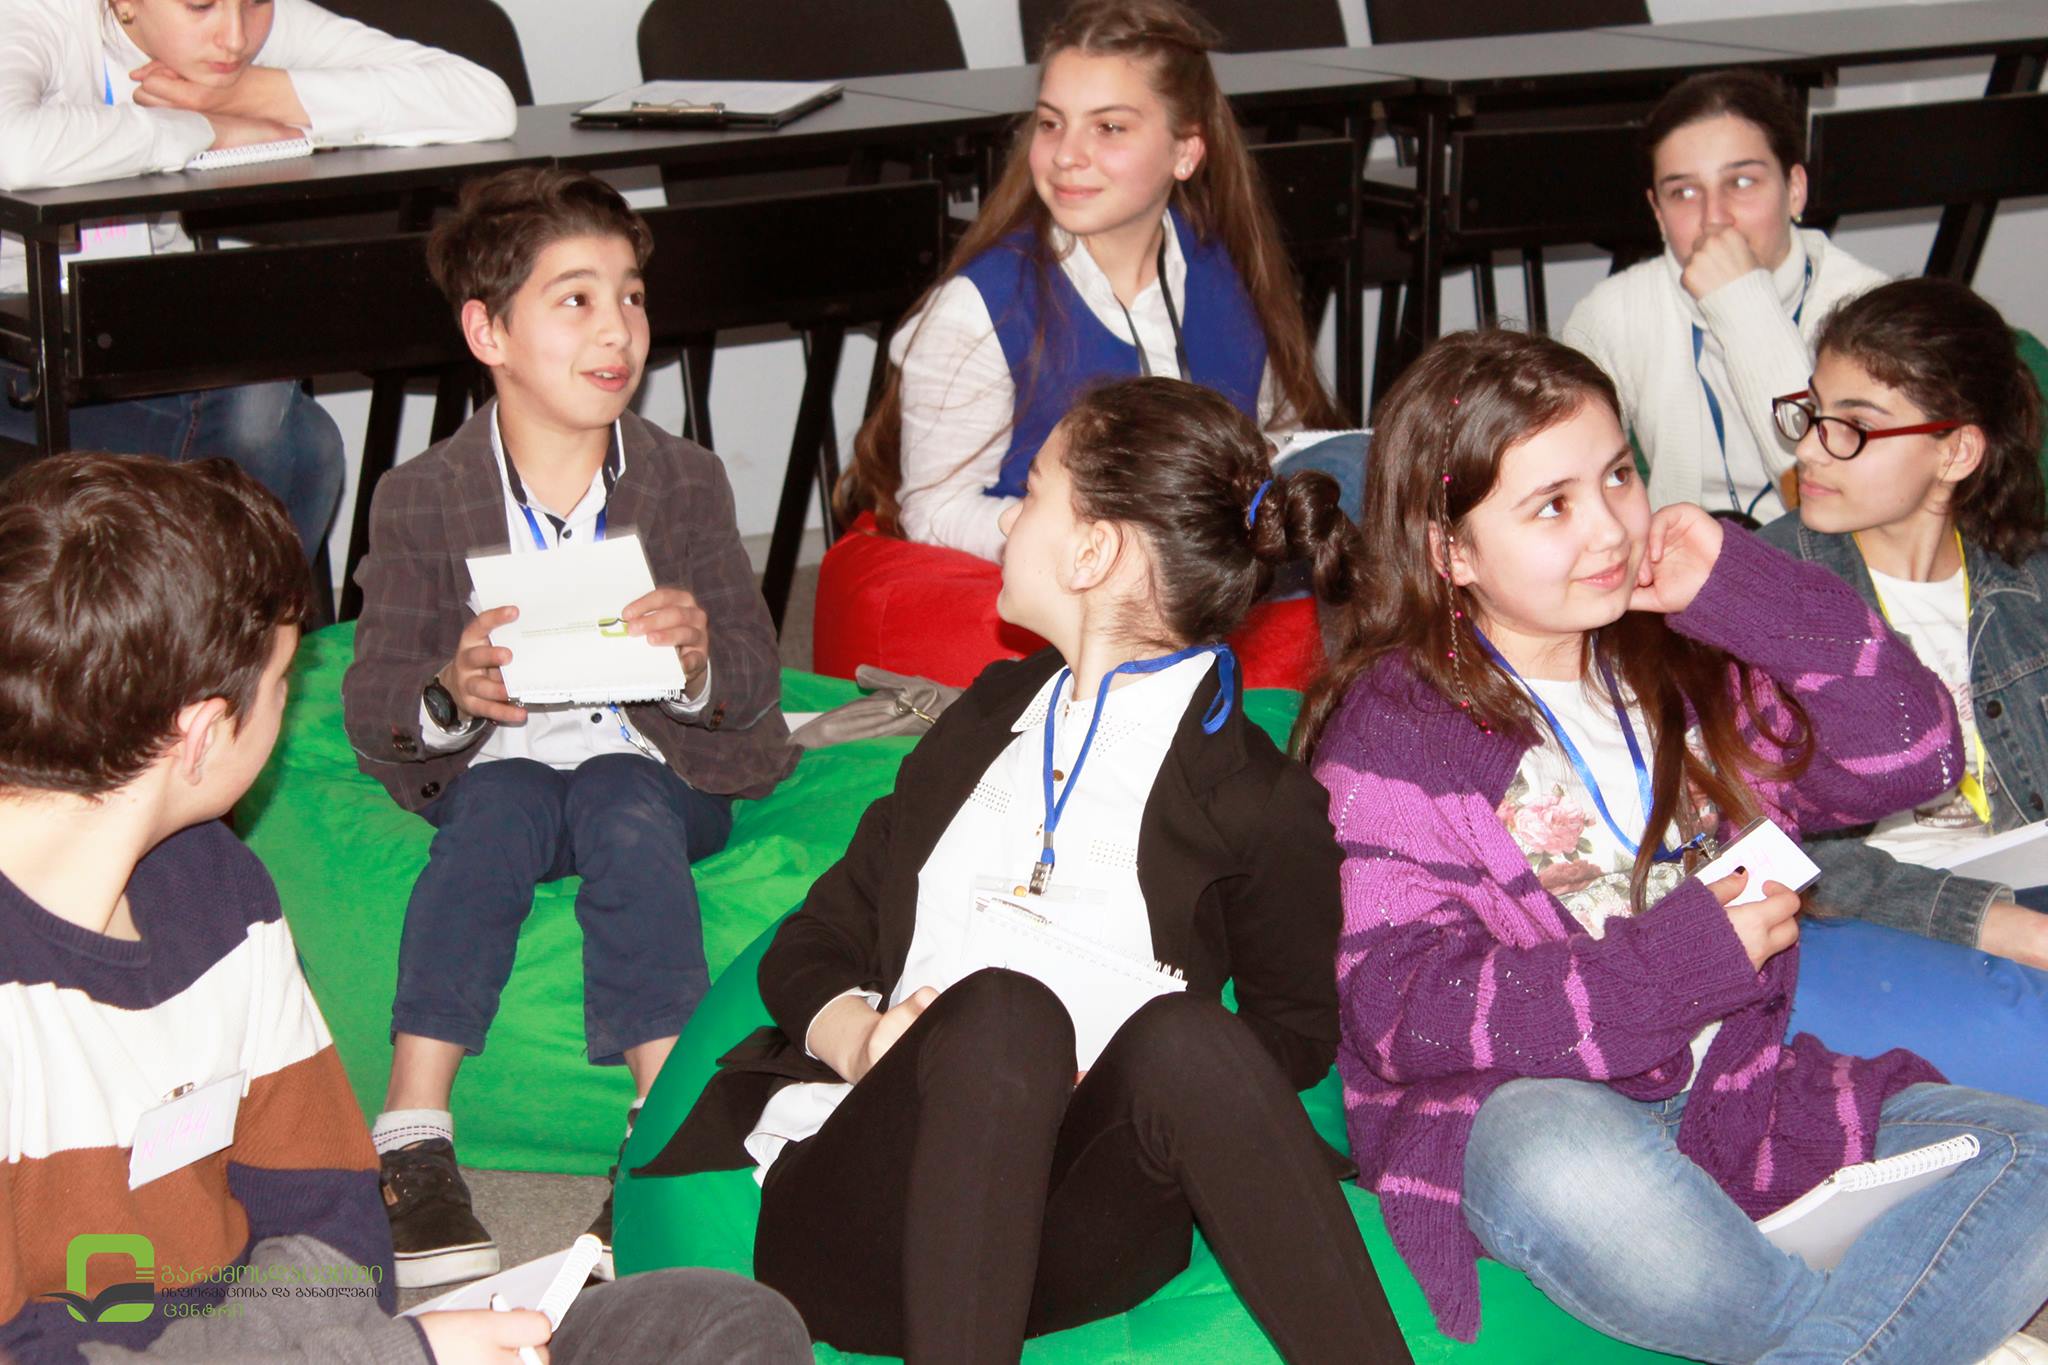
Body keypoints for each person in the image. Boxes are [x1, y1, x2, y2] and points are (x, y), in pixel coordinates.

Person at [1300, 328, 2048, 1360]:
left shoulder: (1681, 659)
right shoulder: (1396, 731)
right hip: (1530, 1114)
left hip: (1737, 1093)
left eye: (1618, 475)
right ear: (1451, 551)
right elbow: (1399, 1010)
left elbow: (1913, 753)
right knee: (1554, 1153)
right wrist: (1671, 967)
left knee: (2030, 1152)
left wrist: (1746, 589)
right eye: (1551, 505)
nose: (1609, 527)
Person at [637, 377, 1411, 1363]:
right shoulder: (985, 719)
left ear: (1093, 551)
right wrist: (864, 1040)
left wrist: (1109, 1072)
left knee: (1182, 1037)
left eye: (1032, 491)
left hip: (1077, 1223)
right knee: (1007, 1014)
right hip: (865, 1217)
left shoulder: (1257, 802)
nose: (1007, 521)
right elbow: (812, 943)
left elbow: (1293, 1038)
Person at [0, 453, 812, 1365]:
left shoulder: (222, 892)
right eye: (282, 684)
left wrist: (341, 1342)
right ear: (199, 736)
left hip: (306, 1349)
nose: (289, 707)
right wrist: (396, 1355)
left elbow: (338, 1225)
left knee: (727, 1324)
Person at [341, 167, 794, 1288]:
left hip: (656, 767)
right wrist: (448, 690)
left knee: (617, 796)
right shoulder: (422, 495)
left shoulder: (684, 481)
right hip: (500, 765)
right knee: (494, 811)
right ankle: (412, 1132)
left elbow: (754, 685)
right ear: (487, 333)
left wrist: (695, 661)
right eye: (576, 299)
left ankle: (662, 1125)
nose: (617, 328)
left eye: (631, 295)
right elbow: (375, 702)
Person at [838, 0, 1359, 563]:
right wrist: (1083, 544)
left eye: (1109, 127)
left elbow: (1278, 433)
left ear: (1185, 151)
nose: (1066, 155)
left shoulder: (1229, 270)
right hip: (1034, 592)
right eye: (1051, 123)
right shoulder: (981, 308)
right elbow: (935, 511)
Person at [0, 0, 521, 558]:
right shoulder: (35, 16)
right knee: (297, 436)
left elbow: (484, 102)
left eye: (255, 3)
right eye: (199, 5)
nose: (234, 36)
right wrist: (204, 130)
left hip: (134, 333)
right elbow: (13, 149)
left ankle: (210, 614)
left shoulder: (241, 36)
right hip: (18, 345)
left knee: (305, 439)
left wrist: (250, 92)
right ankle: (232, 612)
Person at [1759, 278, 2048, 969]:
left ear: (1957, 453)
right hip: (1866, 928)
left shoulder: (2029, 580)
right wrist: (1997, 924)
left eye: (1852, 426)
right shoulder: (1761, 589)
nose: (1810, 451)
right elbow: (1769, 849)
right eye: (1814, 412)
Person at [1561, 69, 1887, 524]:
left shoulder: (1870, 310)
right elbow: (1568, 485)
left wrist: (1742, 306)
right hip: (1674, 561)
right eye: (1684, 192)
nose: (1714, 217)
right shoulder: (1613, 314)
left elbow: (1849, 509)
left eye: (1741, 182)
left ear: (1795, 190)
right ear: (1658, 212)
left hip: (1828, 556)